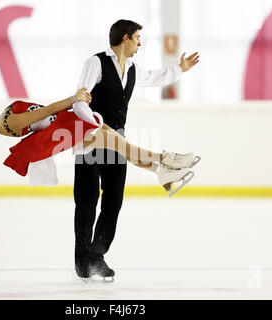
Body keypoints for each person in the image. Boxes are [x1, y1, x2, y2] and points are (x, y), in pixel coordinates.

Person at [72, 19, 200, 281]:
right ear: (126, 38)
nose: (140, 44)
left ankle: (97, 255)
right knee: (86, 201)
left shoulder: (131, 68)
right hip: (88, 139)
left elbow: (153, 78)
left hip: (117, 140)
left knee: (113, 201)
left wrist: (179, 69)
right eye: (138, 38)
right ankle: (82, 260)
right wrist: (98, 125)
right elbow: (79, 100)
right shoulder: (96, 62)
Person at [0, 88, 199, 196]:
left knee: (118, 143)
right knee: (118, 143)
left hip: (66, 126)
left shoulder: (4, 121)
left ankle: (162, 172)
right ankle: (166, 160)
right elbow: (46, 111)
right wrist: (75, 98)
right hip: (67, 129)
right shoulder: (9, 123)